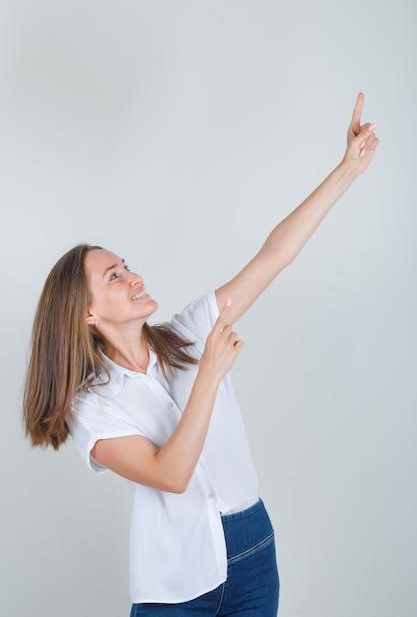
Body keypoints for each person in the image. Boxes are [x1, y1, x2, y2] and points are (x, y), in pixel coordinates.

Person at [23, 93, 378, 616]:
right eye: (114, 277)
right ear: (86, 315)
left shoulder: (188, 331)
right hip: (176, 580)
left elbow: (275, 255)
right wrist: (209, 376)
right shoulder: (89, 407)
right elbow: (172, 474)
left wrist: (346, 170)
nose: (133, 276)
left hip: (253, 543)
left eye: (127, 264)